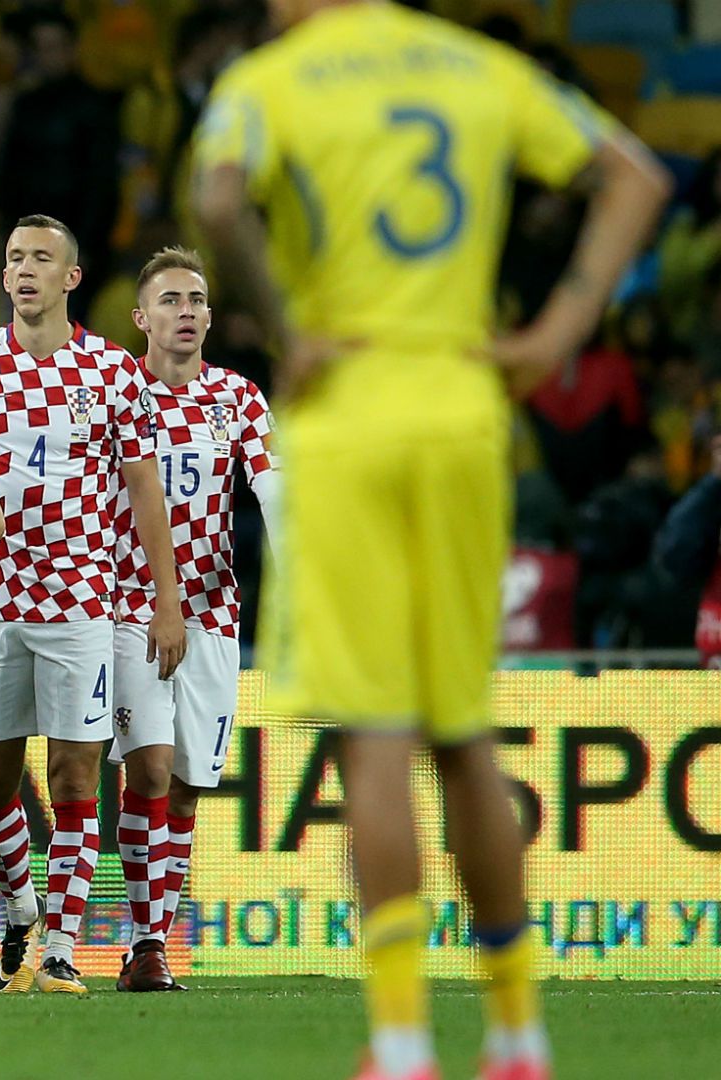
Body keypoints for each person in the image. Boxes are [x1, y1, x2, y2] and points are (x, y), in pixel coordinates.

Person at [190, 3, 670, 1077]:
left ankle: (404, 1044)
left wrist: (281, 321)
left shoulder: (266, 81)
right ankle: (518, 1036)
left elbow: (218, 198)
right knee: (462, 736)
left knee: (375, 739)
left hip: (349, 411)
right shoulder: (480, 64)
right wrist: (557, 330)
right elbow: (636, 171)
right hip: (465, 409)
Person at [0, 214, 185, 994]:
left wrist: (166, 597)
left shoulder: (112, 372)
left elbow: (145, 489)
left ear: (71, 278)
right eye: (14, 257)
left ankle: (60, 951)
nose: (24, 270)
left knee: (77, 778)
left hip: (81, 600)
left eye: (41, 259)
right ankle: (22, 905)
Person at [109, 247, 279, 992]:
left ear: (210, 317)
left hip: (212, 613)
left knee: (185, 786)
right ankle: (144, 943)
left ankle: (152, 941)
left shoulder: (237, 398)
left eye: (198, 300)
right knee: (145, 768)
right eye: (171, 300)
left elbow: (273, 488)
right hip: (126, 606)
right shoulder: (113, 392)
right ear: (141, 318)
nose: (187, 312)